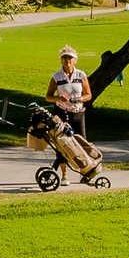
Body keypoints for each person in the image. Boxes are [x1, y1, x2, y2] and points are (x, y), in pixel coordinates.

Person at [44, 44, 94, 180]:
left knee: (83, 144)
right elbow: (48, 96)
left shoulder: (81, 75)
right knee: (62, 144)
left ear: (75, 60)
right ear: (61, 60)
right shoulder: (56, 77)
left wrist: (79, 98)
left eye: (70, 58)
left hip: (78, 113)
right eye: (64, 58)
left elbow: (88, 95)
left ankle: (86, 173)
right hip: (61, 113)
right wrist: (57, 98)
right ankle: (64, 175)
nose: (67, 61)